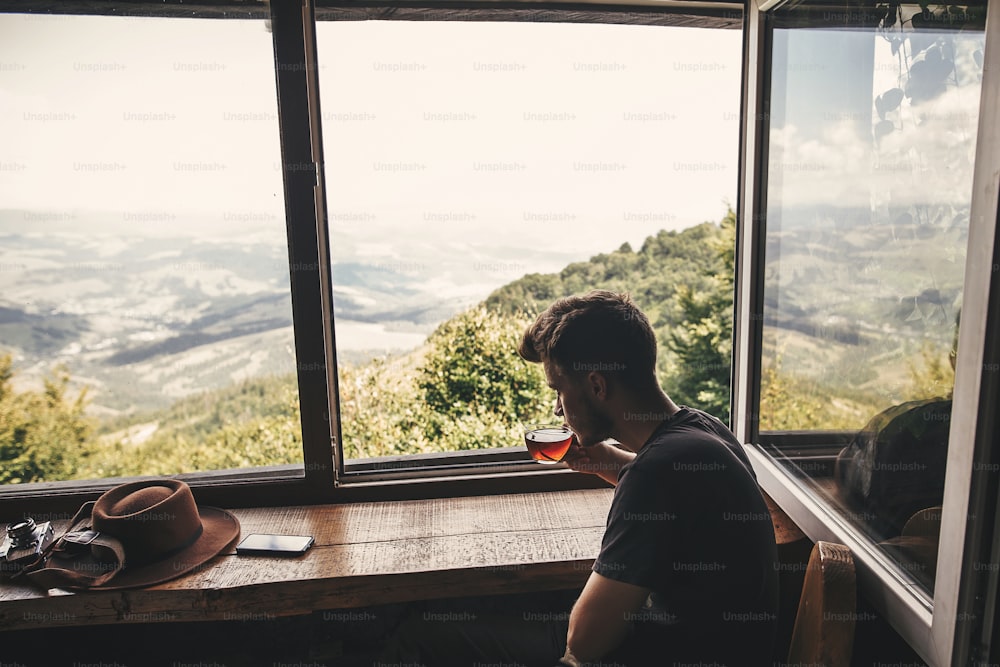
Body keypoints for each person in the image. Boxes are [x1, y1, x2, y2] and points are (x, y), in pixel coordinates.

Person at [376, 290, 779, 666]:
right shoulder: (704, 431)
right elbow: (671, 492)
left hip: (659, 650)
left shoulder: (656, 473)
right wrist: (601, 459)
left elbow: (584, 642)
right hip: (725, 644)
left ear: (597, 385)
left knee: (422, 633)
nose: (556, 409)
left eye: (558, 390)